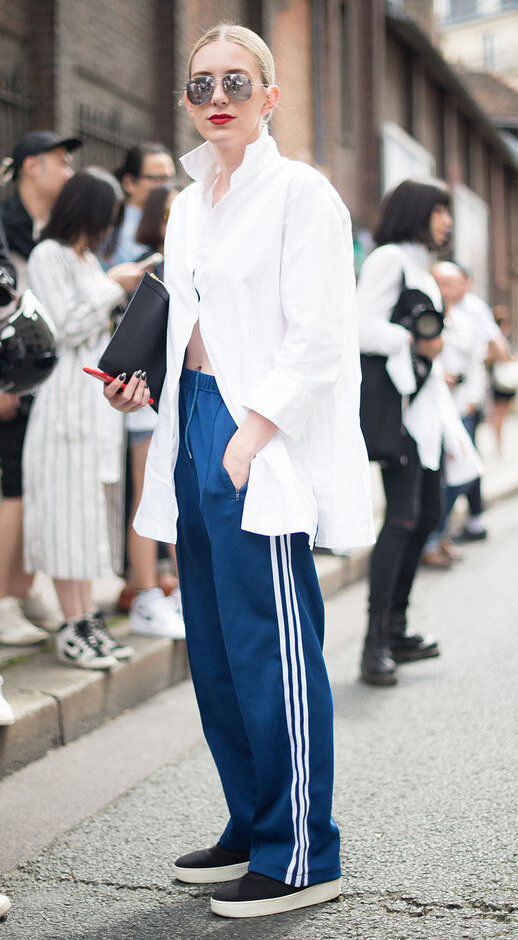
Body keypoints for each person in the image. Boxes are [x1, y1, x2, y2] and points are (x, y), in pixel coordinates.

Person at [104, 22, 374, 919]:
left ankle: (302, 850)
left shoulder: (301, 193)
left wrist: (253, 434)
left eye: (235, 81)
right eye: (200, 84)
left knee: (273, 647)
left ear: (270, 95)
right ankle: (252, 820)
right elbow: (184, 313)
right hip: (191, 422)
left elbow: (322, 335)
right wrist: (142, 376)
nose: (216, 97)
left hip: (257, 432)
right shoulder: (188, 205)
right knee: (215, 649)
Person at [24, 168, 151, 669]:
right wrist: (112, 285)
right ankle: (71, 624)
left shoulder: (85, 260)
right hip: (63, 407)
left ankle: (85, 620)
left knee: (88, 516)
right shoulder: (47, 255)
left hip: (95, 407)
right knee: (66, 517)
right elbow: (62, 328)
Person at [357, 179, 480, 687]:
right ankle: (375, 642)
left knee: (429, 512)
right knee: (404, 519)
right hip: (400, 412)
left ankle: (397, 629)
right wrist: (414, 341)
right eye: (439, 211)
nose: (446, 221)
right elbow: (360, 326)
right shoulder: (389, 259)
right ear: (416, 211)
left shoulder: (418, 267)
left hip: (426, 412)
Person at [0, 131, 82, 643]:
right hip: (11, 382)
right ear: (32, 167)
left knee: (32, 486)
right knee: (14, 489)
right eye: (60, 163)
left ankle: (23, 586)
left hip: (39, 380)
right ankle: (4, 600)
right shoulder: (4, 225)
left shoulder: (47, 229)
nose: (68, 173)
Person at [118, 184, 185, 638]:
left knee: (180, 499)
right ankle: (145, 595)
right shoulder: (147, 268)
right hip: (145, 400)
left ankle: (181, 590)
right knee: (147, 495)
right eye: (169, 214)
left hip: (182, 400)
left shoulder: (194, 262)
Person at [421, 262, 484, 566]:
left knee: (463, 475)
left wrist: (473, 399)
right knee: (435, 481)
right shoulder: (421, 320)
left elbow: (475, 367)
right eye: (440, 283)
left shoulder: (465, 323)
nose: (445, 290)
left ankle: (439, 534)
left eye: (451, 283)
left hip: (461, 410)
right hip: (431, 413)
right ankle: (431, 541)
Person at [454, 267, 511, 540]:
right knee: (467, 459)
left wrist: (476, 359)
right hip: (466, 398)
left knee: (463, 460)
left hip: (467, 398)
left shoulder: (473, 309)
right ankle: (475, 519)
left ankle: (465, 522)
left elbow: (500, 350)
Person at [105, 143, 176, 266]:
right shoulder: (115, 226)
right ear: (130, 183)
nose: (167, 187)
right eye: (158, 179)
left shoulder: (175, 216)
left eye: (170, 179)